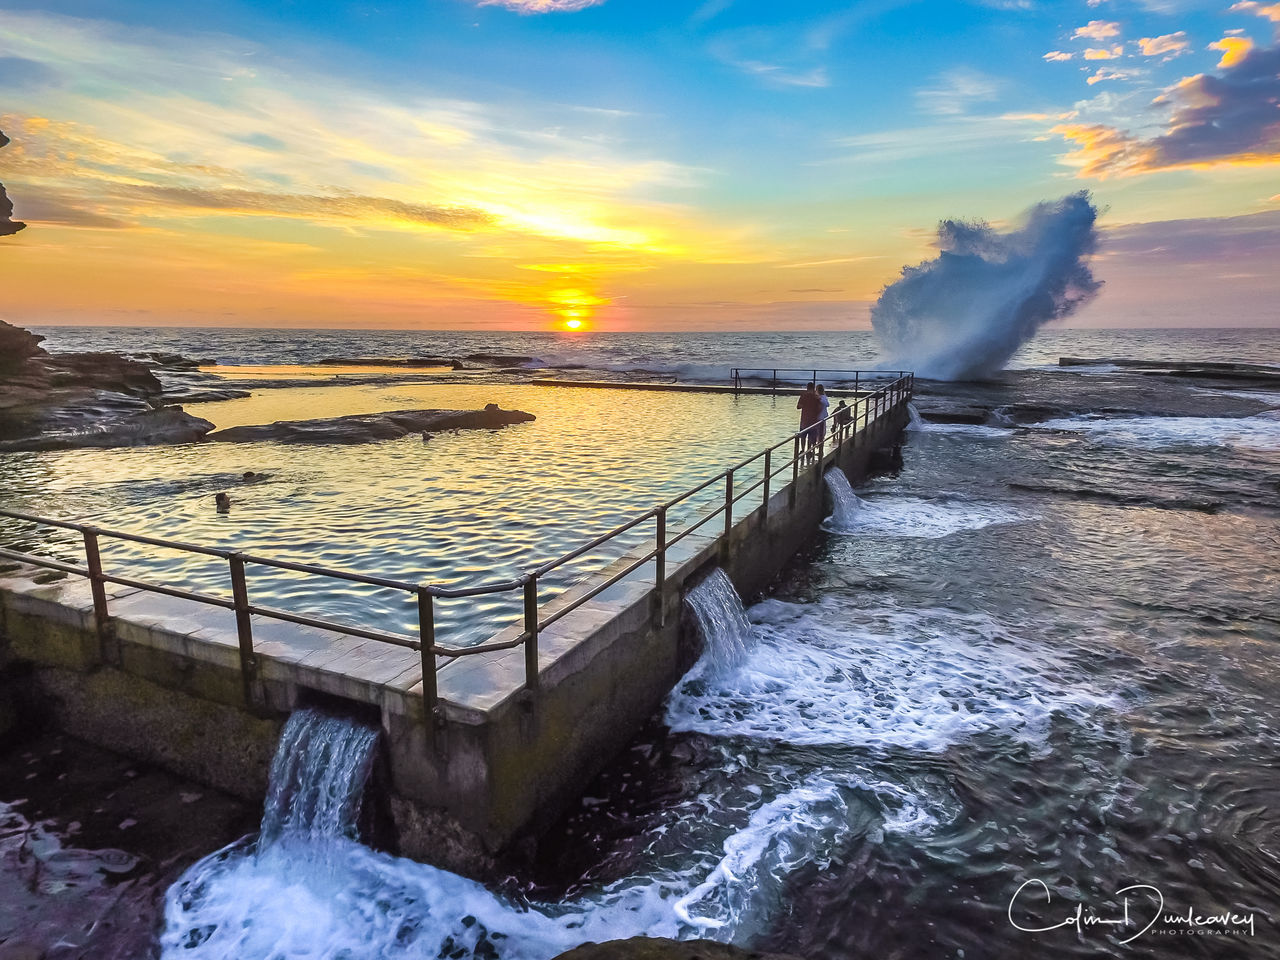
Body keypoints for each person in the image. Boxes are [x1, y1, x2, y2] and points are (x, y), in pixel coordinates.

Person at [796, 382, 821, 455]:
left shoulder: (803, 396)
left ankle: (803, 450)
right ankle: (809, 450)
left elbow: (798, 407)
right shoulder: (816, 397)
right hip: (814, 420)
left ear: (807, 388)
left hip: (804, 419)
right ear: (813, 388)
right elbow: (819, 408)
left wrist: (805, 405)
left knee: (803, 436)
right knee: (811, 436)